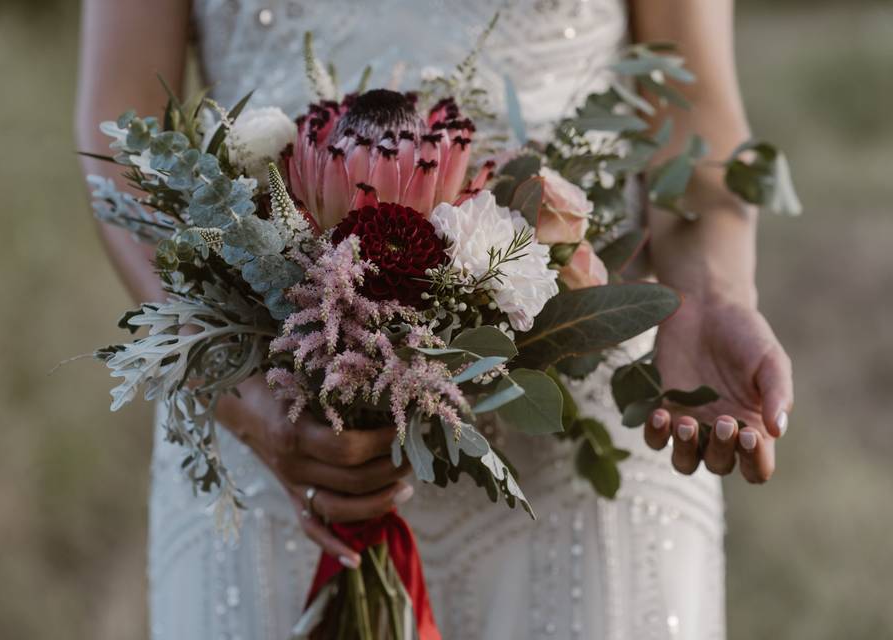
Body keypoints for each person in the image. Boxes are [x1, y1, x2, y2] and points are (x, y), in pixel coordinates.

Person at [76, 1, 793, 638]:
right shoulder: (258, 402)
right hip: (277, 408)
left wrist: (714, 296)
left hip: (575, 421)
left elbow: (693, 116)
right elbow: (121, 134)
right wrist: (230, 381)